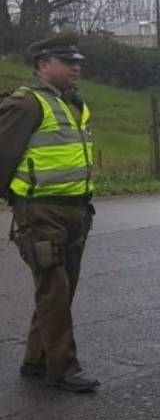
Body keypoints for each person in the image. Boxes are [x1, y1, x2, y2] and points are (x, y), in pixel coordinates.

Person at [0, 33, 100, 392]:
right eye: (67, 61)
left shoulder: (75, 104)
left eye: (78, 62)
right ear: (43, 65)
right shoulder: (26, 104)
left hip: (75, 211)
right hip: (40, 213)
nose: (77, 67)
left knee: (61, 289)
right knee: (55, 289)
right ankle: (64, 368)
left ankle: (36, 359)